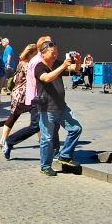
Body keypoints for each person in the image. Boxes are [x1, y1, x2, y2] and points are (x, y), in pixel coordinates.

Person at [3, 36, 55, 160]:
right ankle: (9, 141)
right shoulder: (36, 61)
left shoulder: (42, 59)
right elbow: (42, 79)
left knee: (49, 123)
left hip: (41, 97)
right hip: (36, 98)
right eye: (49, 43)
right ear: (42, 47)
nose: (52, 45)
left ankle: (52, 151)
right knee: (36, 125)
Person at [35, 41, 82, 176]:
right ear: (43, 53)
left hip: (62, 107)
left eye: (56, 52)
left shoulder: (57, 63)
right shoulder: (39, 67)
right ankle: (45, 166)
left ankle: (65, 155)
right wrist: (63, 66)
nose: (55, 54)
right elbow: (47, 78)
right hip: (47, 109)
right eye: (52, 52)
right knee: (47, 139)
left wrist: (77, 62)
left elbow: (75, 69)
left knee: (76, 128)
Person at [0, 43, 37, 152]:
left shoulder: (21, 63)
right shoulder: (28, 65)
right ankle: (3, 140)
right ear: (31, 53)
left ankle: (3, 140)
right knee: (16, 117)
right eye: (36, 53)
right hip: (23, 94)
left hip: (18, 93)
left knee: (33, 118)